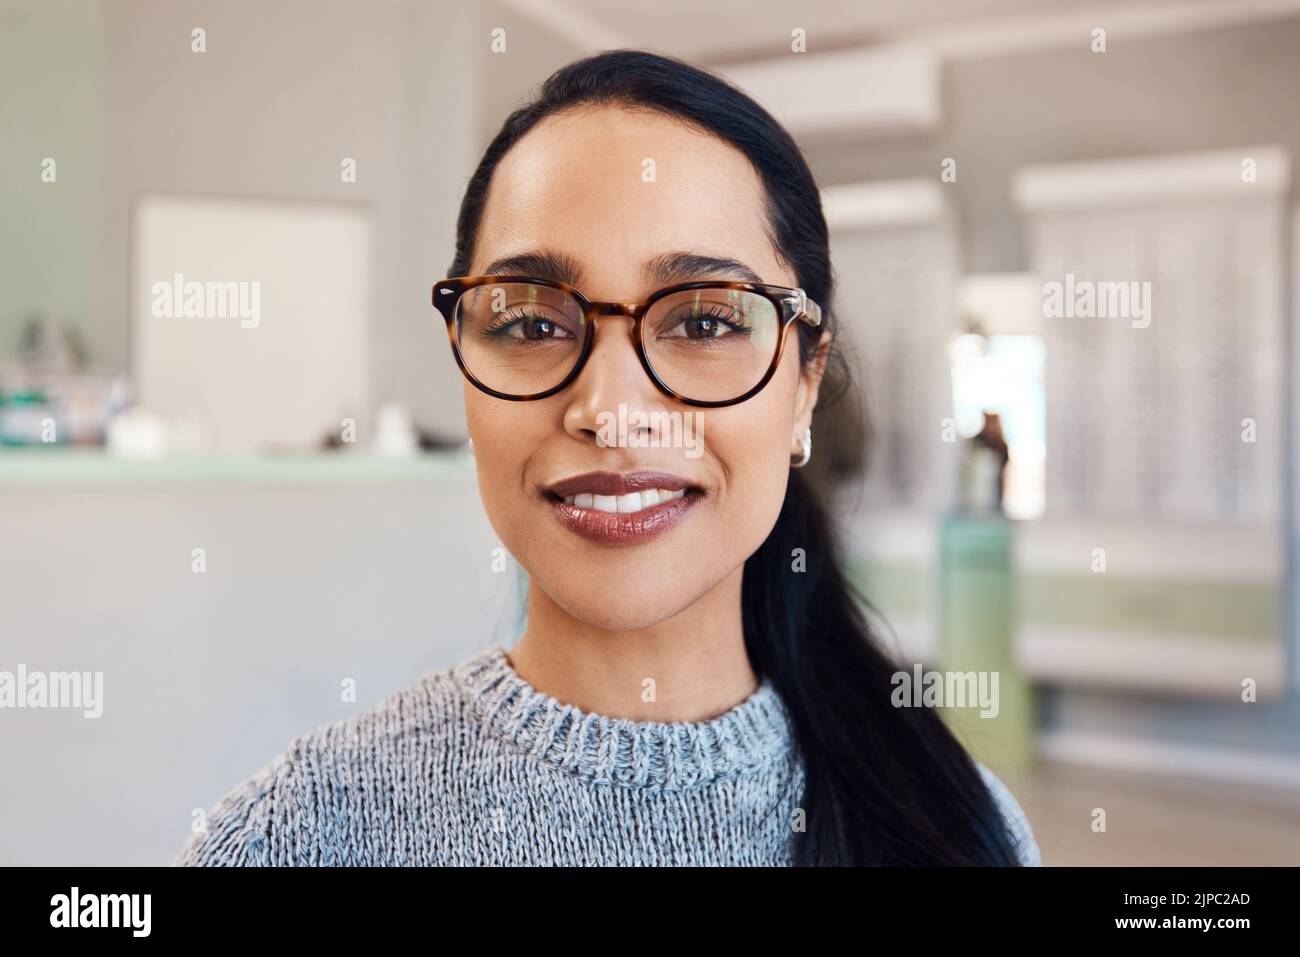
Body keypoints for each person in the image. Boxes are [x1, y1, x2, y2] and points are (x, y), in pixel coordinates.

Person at [175, 49, 1040, 867]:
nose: (612, 413)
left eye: (705, 321)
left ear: (806, 381)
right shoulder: (298, 834)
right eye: (532, 323)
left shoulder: (959, 824)